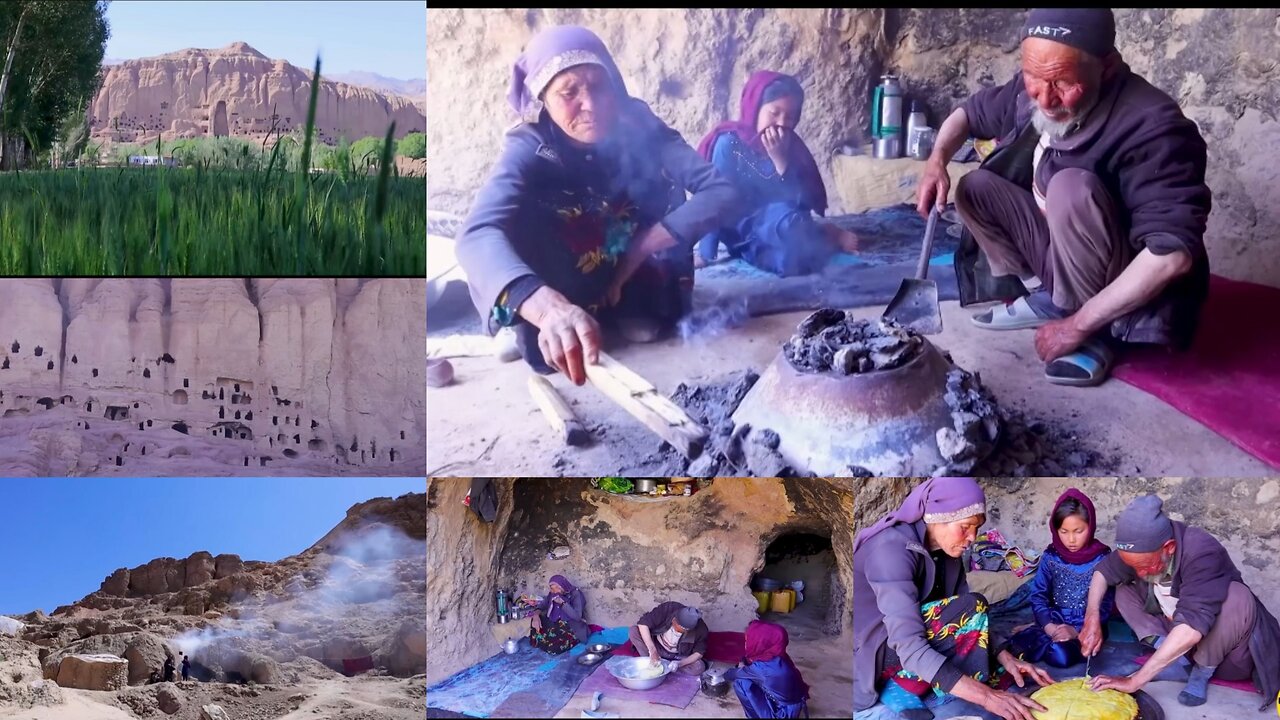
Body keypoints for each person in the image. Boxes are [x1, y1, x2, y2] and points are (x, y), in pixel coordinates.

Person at [917, 8, 1211, 387]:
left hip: (1128, 285)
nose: (1045, 99)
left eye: (1061, 84)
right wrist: (936, 160)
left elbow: (1171, 256)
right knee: (975, 189)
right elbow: (968, 114)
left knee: (1071, 188)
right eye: (1033, 79)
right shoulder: (1038, 84)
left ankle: (1094, 331)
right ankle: (1050, 298)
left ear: (1107, 67)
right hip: (1068, 256)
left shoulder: (1152, 125)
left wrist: (1077, 326)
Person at [456, 25, 740, 386]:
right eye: (569, 92)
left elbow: (722, 191)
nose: (590, 105)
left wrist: (641, 248)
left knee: (660, 319)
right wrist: (547, 309)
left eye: (598, 85)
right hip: (563, 272)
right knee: (546, 355)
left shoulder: (636, 123)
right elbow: (476, 234)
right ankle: (547, 318)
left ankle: (621, 301)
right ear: (543, 97)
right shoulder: (530, 146)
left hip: (627, 259)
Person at [854, 477, 1054, 720]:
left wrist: (1005, 655)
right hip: (881, 649)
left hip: (908, 638)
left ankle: (918, 682)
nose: (972, 538)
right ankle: (898, 682)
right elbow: (908, 643)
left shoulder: (946, 553)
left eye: (977, 528)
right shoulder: (890, 550)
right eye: (966, 526)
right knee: (974, 605)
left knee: (974, 611)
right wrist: (987, 697)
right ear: (936, 517)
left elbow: (969, 617)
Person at [1079, 494, 1280, 710]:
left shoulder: (1202, 551)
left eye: (1147, 565)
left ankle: (1200, 673)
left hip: (1226, 658)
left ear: (1169, 547)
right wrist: (1092, 618)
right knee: (1123, 587)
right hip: (1180, 639)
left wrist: (1135, 680)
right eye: (1135, 565)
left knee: (1236, 596)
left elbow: (1192, 626)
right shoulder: (1139, 550)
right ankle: (1175, 659)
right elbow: (1103, 573)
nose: (1140, 572)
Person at [694, 70, 859, 277]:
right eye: (774, 113)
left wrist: (780, 160)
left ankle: (824, 233)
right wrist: (706, 254)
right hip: (740, 229)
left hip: (778, 221)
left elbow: (800, 203)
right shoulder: (730, 144)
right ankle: (821, 234)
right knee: (790, 257)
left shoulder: (789, 145)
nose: (781, 123)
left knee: (793, 237)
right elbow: (714, 198)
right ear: (754, 109)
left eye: (789, 117)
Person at [1008, 488, 1114, 667]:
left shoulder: (1102, 558)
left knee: (1061, 656)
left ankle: (1039, 633)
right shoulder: (1051, 557)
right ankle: (1040, 629)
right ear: (1055, 529)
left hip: (1088, 626)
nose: (1071, 539)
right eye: (1064, 532)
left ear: (1091, 526)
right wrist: (1050, 628)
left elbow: (1105, 604)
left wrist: (1076, 630)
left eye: (1078, 531)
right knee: (1014, 643)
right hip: (1054, 621)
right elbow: (1039, 596)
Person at [724, 619, 809, 718]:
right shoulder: (778, 655)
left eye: (748, 640)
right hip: (792, 704)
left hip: (783, 714)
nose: (746, 644)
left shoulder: (762, 668)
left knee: (741, 682)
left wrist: (723, 675)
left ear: (761, 643)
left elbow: (732, 675)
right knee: (750, 678)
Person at [630, 601, 708, 675]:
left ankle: (670, 666)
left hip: (678, 656)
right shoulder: (668, 608)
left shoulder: (701, 629)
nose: (676, 630)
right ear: (674, 619)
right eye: (675, 626)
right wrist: (652, 650)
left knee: (699, 667)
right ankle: (649, 660)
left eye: (681, 631)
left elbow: (699, 653)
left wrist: (679, 663)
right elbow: (643, 624)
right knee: (634, 631)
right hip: (657, 647)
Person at [524, 574, 590, 654]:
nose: (553, 591)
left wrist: (563, 603)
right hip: (555, 623)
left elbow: (577, 617)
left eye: (556, 588)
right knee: (537, 622)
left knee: (554, 648)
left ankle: (549, 641)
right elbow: (541, 606)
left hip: (571, 626)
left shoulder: (575, 594)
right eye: (552, 588)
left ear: (562, 586)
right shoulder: (552, 594)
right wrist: (536, 616)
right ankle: (546, 640)